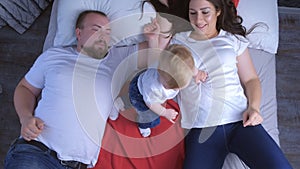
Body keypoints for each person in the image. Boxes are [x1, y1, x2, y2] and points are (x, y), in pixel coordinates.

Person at [4, 10, 152, 169]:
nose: (103, 36)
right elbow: (25, 88)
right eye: (96, 30)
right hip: (37, 153)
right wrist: (25, 117)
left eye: (108, 32)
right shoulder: (54, 56)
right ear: (78, 33)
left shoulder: (117, 59)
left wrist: (154, 35)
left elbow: (156, 52)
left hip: (79, 165)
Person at [157, 0, 293, 168]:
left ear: (218, 11)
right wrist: (155, 40)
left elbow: (251, 79)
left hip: (239, 123)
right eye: (193, 13)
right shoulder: (178, 42)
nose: (199, 20)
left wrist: (254, 108)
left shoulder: (232, 39)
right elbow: (162, 77)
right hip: (202, 130)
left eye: (205, 12)